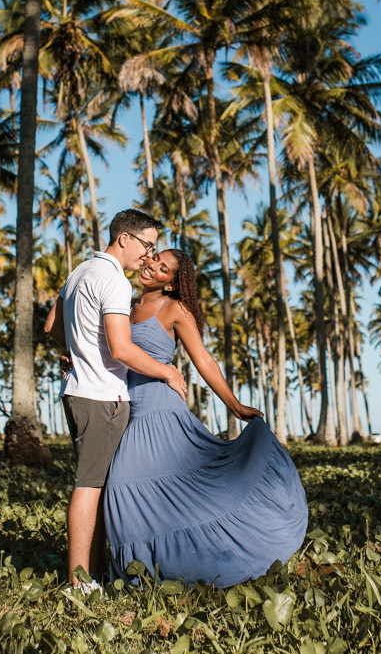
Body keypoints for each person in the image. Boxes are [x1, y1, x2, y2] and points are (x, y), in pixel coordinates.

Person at [102, 248, 308, 587]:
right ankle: (142, 571)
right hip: (127, 409)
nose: (153, 266)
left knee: (149, 486)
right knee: (124, 490)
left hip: (160, 411)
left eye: (163, 268)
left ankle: (175, 567)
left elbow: (204, 361)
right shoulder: (123, 304)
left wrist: (236, 406)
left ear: (171, 284)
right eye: (154, 259)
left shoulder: (174, 309)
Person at [45, 209, 187, 594]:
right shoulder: (115, 282)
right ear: (124, 238)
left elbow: (52, 325)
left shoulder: (80, 271)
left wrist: (78, 350)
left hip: (77, 391)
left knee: (98, 485)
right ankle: (79, 581)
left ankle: (96, 571)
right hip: (102, 396)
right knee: (90, 486)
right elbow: (122, 349)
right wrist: (168, 372)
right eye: (147, 245)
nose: (148, 256)